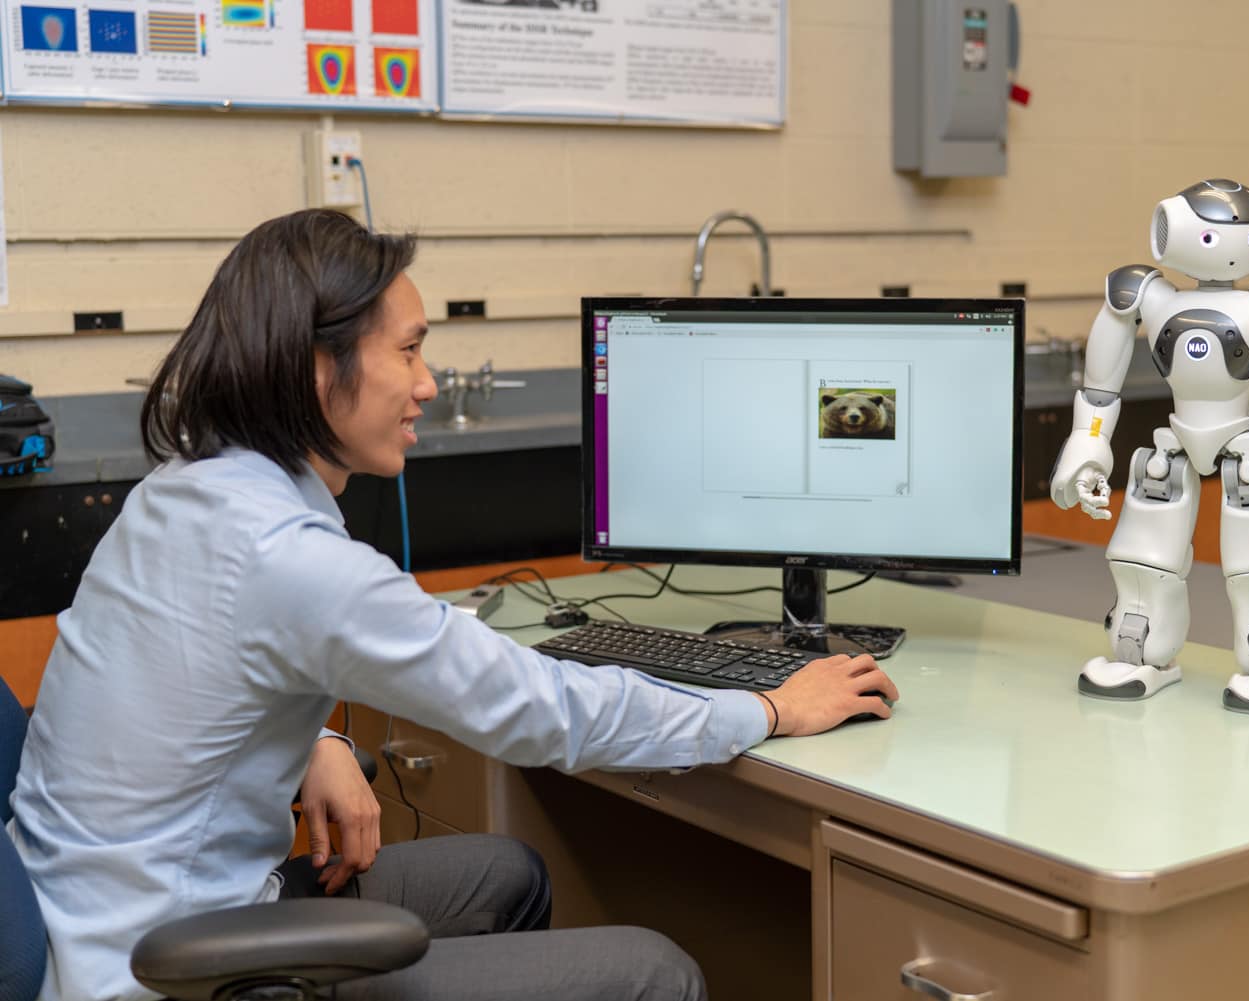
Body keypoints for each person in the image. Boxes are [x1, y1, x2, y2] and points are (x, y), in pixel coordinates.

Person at [6, 209, 898, 1001]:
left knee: (506, 872)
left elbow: (194, 673)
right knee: (655, 971)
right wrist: (769, 706)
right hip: (157, 966)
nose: (429, 382)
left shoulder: (184, 489)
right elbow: (544, 712)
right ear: (321, 371)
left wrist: (313, 740)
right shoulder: (292, 561)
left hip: (93, 910)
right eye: (409, 349)